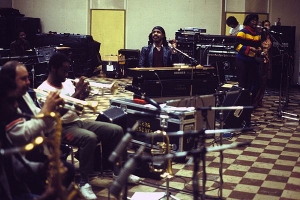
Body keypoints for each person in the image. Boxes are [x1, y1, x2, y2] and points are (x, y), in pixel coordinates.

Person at [37, 52, 140, 199]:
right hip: (58, 129)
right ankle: (84, 182)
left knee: (116, 130)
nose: (67, 75)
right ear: (53, 68)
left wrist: (83, 95)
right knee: (89, 138)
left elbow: (77, 107)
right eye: (63, 71)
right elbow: (53, 116)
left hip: (77, 122)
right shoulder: (43, 90)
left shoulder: (66, 82)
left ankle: (119, 173)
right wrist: (77, 92)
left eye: (68, 71)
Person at [0, 61, 75, 196]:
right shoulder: (6, 104)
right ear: (9, 81)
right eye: (23, 79)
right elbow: (21, 134)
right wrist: (45, 110)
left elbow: (43, 125)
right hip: (28, 158)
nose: (28, 82)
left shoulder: (24, 95)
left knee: (67, 170)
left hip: (37, 156)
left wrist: (54, 112)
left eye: (28, 77)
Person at [234, 14, 261, 107]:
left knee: (256, 83)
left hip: (252, 60)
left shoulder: (258, 34)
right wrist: (249, 48)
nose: (254, 22)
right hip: (242, 61)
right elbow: (237, 46)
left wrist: (259, 49)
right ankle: (241, 106)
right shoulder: (242, 32)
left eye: (256, 20)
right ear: (248, 21)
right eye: (252, 20)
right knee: (243, 84)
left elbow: (258, 45)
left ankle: (248, 104)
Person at [253, 20, 272, 107]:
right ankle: (254, 101)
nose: (265, 27)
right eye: (264, 25)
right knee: (259, 81)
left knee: (264, 82)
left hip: (266, 60)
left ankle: (260, 100)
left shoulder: (268, 36)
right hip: (259, 59)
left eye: (268, 25)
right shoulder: (257, 36)